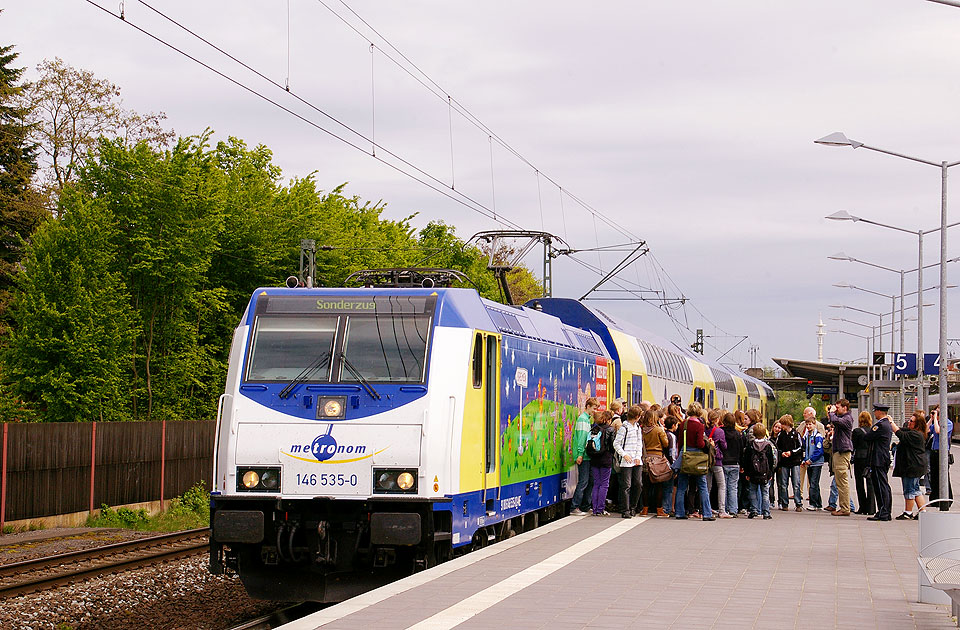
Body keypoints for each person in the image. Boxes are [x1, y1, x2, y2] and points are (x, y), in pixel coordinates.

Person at [674, 402, 714, 521]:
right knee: (702, 486)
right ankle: (707, 513)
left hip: (685, 455)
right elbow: (700, 443)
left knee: (681, 486)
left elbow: (680, 442)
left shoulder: (683, 424)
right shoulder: (699, 425)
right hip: (697, 457)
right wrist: (707, 445)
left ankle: (680, 512)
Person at [892, 410, 929, 520]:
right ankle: (923, 511)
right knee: (916, 490)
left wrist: (890, 422)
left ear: (917, 424)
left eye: (912, 421)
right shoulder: (916, 433)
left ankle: (908, 512)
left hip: (912, 466)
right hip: (915, 465)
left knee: (909, 490)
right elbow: (902, 430)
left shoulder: (915, 435)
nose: (909, 423)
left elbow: (900, 434)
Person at [862, 403, 894, 521]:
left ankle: (884, 511)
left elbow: (868, 437)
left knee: (881, 486)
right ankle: (882, 510)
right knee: (881, 485)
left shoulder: (881, 425)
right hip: (881, 458)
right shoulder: (885, 424)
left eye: (875, 411)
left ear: (880, 412)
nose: (874, 413)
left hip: (879, 458)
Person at [613, 405, 643, 518]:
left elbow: (639, 443)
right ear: (637, 416)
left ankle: (633, 507)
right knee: (626, 485)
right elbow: (616, 443)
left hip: (636, 460)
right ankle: (625, 510)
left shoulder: (638, 428)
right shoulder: (623, 428)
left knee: (638, 484)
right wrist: (624, 454)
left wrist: (638, 456)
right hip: (626, 461)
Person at [742, 423, 777, 519]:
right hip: (765, 473)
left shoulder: (751, 445)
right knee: (765, 492)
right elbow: (770, 461)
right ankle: (766, 512)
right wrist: (770, 473)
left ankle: (754, 510)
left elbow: (747, 460)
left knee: (752, 491)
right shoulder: (768, 446)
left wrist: (747, 473)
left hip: (753, 473)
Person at [570, 397, 598, 515]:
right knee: (583, 481)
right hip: (583, 455)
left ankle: (585, 505)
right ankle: (574, 507)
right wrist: (580, 454)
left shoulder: (586, 420)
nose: (595, 411)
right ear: (588, 406)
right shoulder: (582, 420)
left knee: (590, 480)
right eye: (594, 408)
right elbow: (581, 439)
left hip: (586, 455)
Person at [640, 408, 670, 517]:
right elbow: (666, 443)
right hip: (657, 458)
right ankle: (659, 510)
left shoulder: (641, 430)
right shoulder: (658, 430)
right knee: (659, 485)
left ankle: (645, 509)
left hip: (645, 458)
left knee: (646, 486)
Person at [827, 399, 855, 517]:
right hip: (839, 451)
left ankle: (845, 508)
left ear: (845, 407)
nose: (836, 410)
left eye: (838, 408)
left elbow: (834, 420)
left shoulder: (847, 418)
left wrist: (832, 412)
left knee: (842, 480)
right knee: (839, 481)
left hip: (843, 452)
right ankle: (845, 506)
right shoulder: (843, 418)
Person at [589, 410, 617, 515]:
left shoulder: (593, 429)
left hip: (594, 459)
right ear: (607, 419)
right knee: (604, 484)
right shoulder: (610, 429)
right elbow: (612, 445)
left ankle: (595, 509)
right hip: (606, 459)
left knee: (596, 484)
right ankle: (600, 509)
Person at [928, 404, 954, 511]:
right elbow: (926, 430)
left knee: (943, 476)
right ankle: (934, 499)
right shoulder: (935, 422)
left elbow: (939, 431)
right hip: (934, 452)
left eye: (938, 413)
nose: (936, 414)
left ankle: (947, 499)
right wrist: (931, 419)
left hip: (942, 453)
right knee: (933, 476)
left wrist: (936, 420)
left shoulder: (948, 423)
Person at [775, 415, 804, 512]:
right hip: (784, 462)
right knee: (783, 483)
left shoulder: (796, 434)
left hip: (794, 461)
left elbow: (801, 447)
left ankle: (798, 503)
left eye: (783, 424)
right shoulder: (781, 435)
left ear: (787, 424)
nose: (781, 426)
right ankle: (785, 503)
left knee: (796, 483)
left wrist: (791, 452)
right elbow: (777, 447)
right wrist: (781, 453)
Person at [852, 411, 877, 516]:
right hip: (870, 458)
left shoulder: (857, 431)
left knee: (859, 483)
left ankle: (862, 507)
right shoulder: (873, 430)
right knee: (870, 482)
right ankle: (871, 508)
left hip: (859, 458)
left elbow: (853, 444)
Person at [705, 409, 727, 516]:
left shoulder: (705, 430)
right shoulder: (719, 432)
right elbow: (724, 446)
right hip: (717, 460)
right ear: (717, 419)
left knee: (707, 486)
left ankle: (706, 508)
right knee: (721, 485)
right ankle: (722, 510)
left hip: (706, 460)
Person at [720, 412, 742, 518]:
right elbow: (741, 449)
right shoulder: (738, 434)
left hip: (723, 463)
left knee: (723, 486)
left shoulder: (721, 432)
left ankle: (723, 508)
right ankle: (733, 509)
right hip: (735, 463)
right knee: (733, 487)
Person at [800, 417, 825, 511]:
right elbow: (805, 450)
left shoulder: (817, 436)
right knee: (813, 483)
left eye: (810, 424)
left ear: (815, 425)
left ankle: (813, 503)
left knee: (813, 483)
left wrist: (811, 459)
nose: (808, 426)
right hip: (809, 463)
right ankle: (818, 503)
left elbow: (819, 451)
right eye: (807, 424)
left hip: (816, 463)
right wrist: (804, 459)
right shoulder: (806, 437)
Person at [662, 416, 679, 517]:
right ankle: (667, 508)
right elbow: (672, 451)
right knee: (669, 488)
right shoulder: (672, 436)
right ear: (673, 425)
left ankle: (665, 507)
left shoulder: (664, 434)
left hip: (664, 463)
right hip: (670, 464)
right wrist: (674, 465)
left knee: (665, 487)